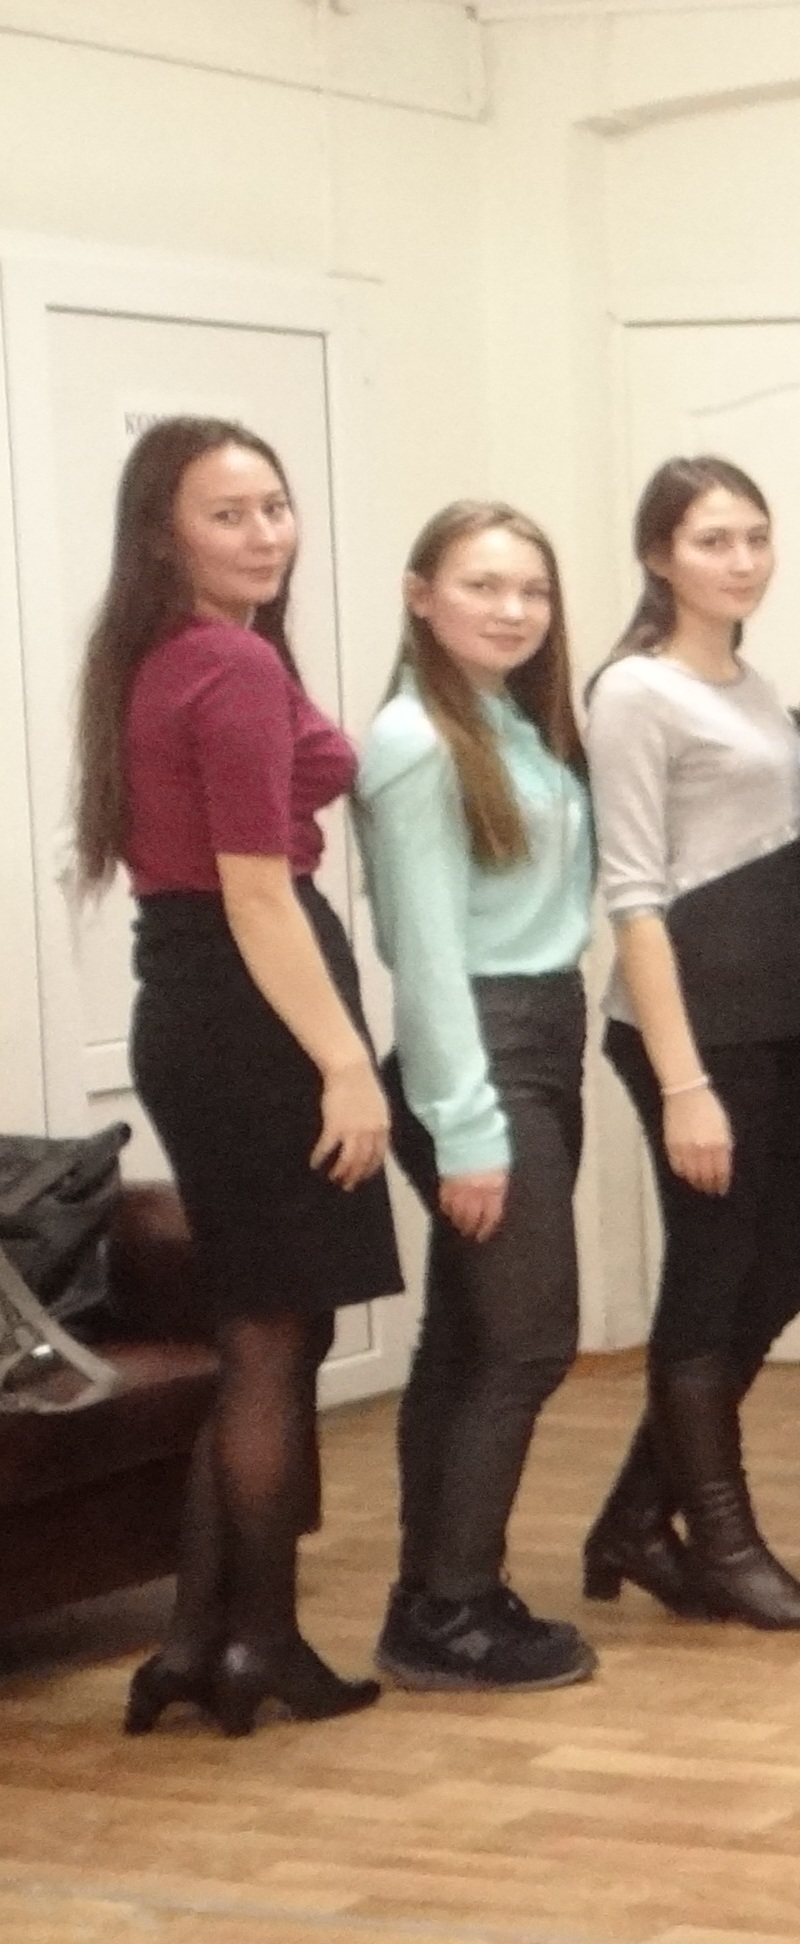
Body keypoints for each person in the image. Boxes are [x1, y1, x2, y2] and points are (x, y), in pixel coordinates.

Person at [76, 416, 400, 1735]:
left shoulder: (168, 654)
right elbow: (260, 895)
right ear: (164, 536)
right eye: (228, 514)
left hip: (193, 999)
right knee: (272, 1335)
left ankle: (193, 1645)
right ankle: (261, 1641)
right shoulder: (229, 664)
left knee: (265, 1328)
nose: (266, 533)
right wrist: (347, 1067)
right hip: (253, 1008)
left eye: (275, 506)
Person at [581, 457, 800, 1635]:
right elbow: (634, 895)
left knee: (783, 1273)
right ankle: (724, 1545)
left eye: (754, 537)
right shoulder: (635, 692)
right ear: (659, 556)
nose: (741, 561)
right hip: (696, 1035)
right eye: (710, 540)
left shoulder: (753, 683)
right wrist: (683, 1081)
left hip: (784, 1021)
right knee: (711, 1278)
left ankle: (638, 1518)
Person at [350, 503, 600, 1693]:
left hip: (544, 1032)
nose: (512, 610)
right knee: (529, 1341)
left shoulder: (514, 722)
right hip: (482, 1054)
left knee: (467, 1339)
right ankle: (449, 1609)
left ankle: (440, 1593)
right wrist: (467, 1129)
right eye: (482, 586)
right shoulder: (415, 740)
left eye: (532, 591)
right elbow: (427, 955)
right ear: (421, 595)